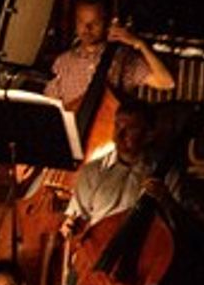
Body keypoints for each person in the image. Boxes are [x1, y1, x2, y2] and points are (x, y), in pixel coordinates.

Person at [46, 0, 175, 117]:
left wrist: (140, 44)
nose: (87, 29)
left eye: (94, 23)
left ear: (108, 23)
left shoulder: (123, 58)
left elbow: (167, 82)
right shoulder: (63, 61)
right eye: (81, 22)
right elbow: (49, 106)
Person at [62, 99, 166, 239]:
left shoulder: (163, 172)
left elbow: (189, 219)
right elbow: (77, 216)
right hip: (95, 252)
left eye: (131, 128)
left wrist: (166, 199)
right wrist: (70, 225)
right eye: (117, 126)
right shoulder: (91, 171)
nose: (119, 135)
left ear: (148, 135)